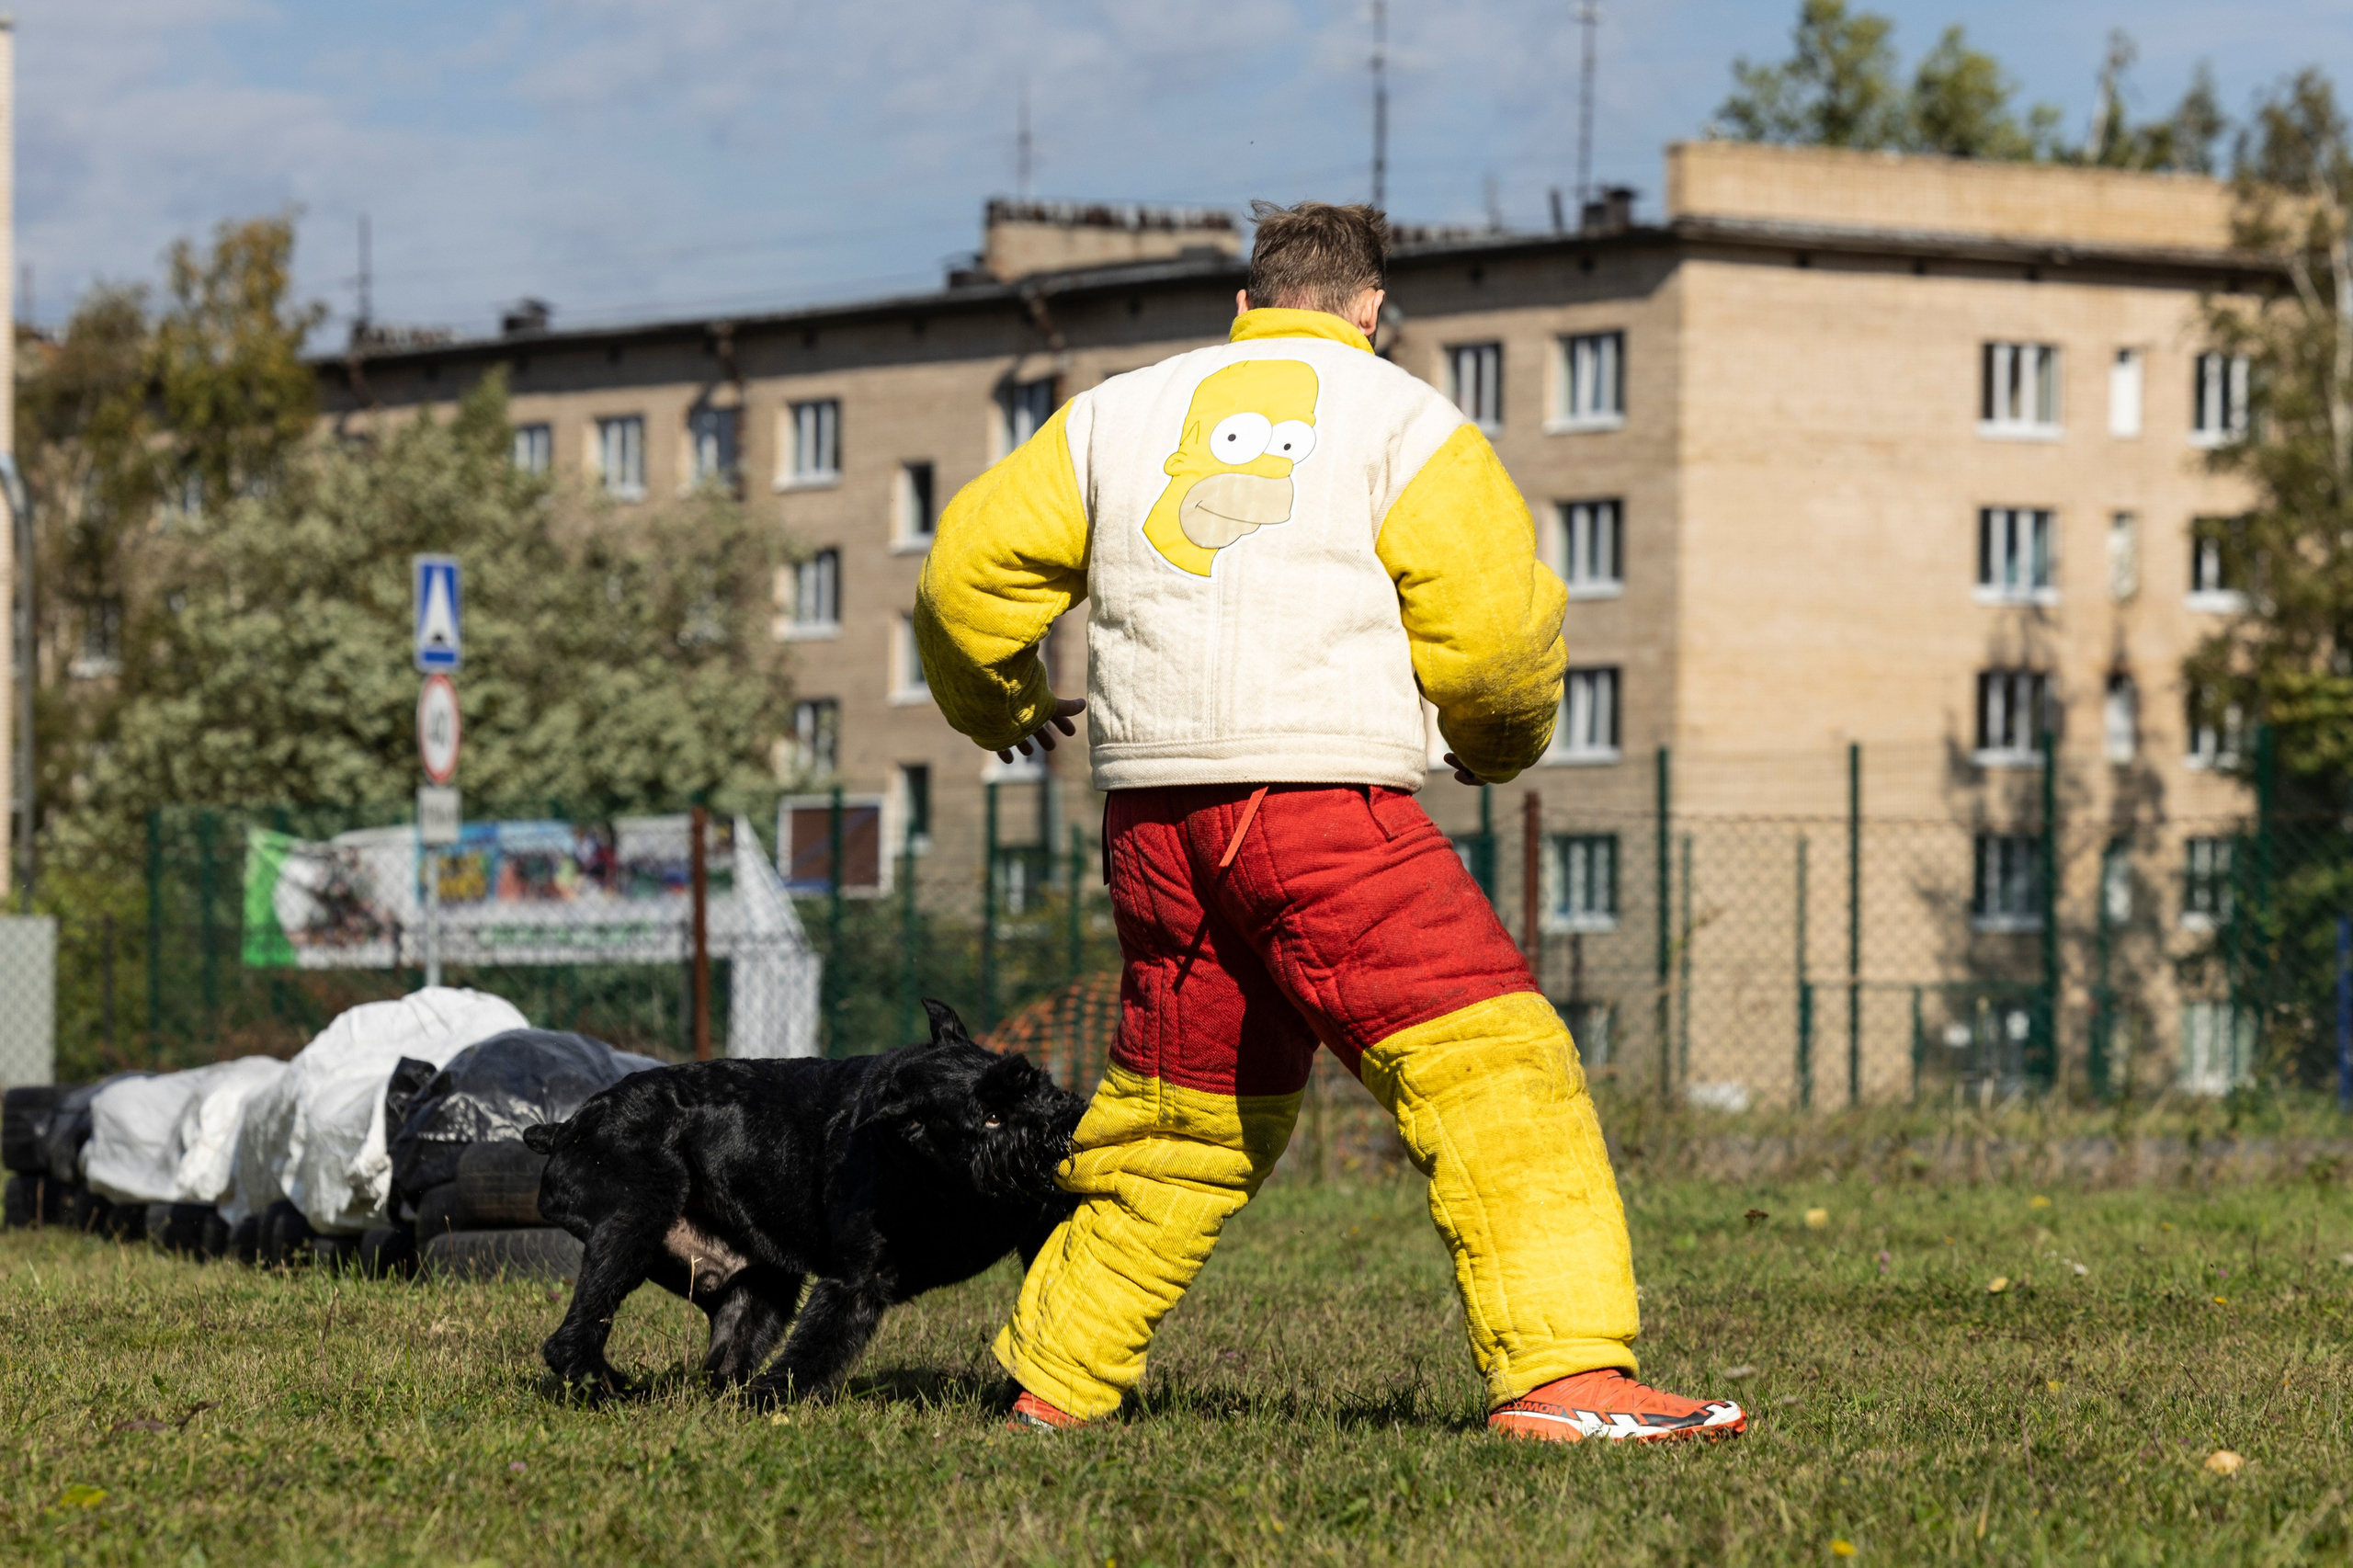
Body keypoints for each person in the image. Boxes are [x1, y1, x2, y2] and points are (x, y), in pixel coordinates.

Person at [913, 200, 1745, 1444]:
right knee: (1495, 1068)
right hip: (1320, 806)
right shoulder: (1408, 421)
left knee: (1178, 1112)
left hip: (1153, 823)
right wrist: (1491, 743)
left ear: (1245, 307)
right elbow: (1503, 636)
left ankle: (1055, 1380)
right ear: (1373, 312)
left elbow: (963, 580)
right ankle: (1565, 1377)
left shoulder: (1112, 414)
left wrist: (1007, 704)